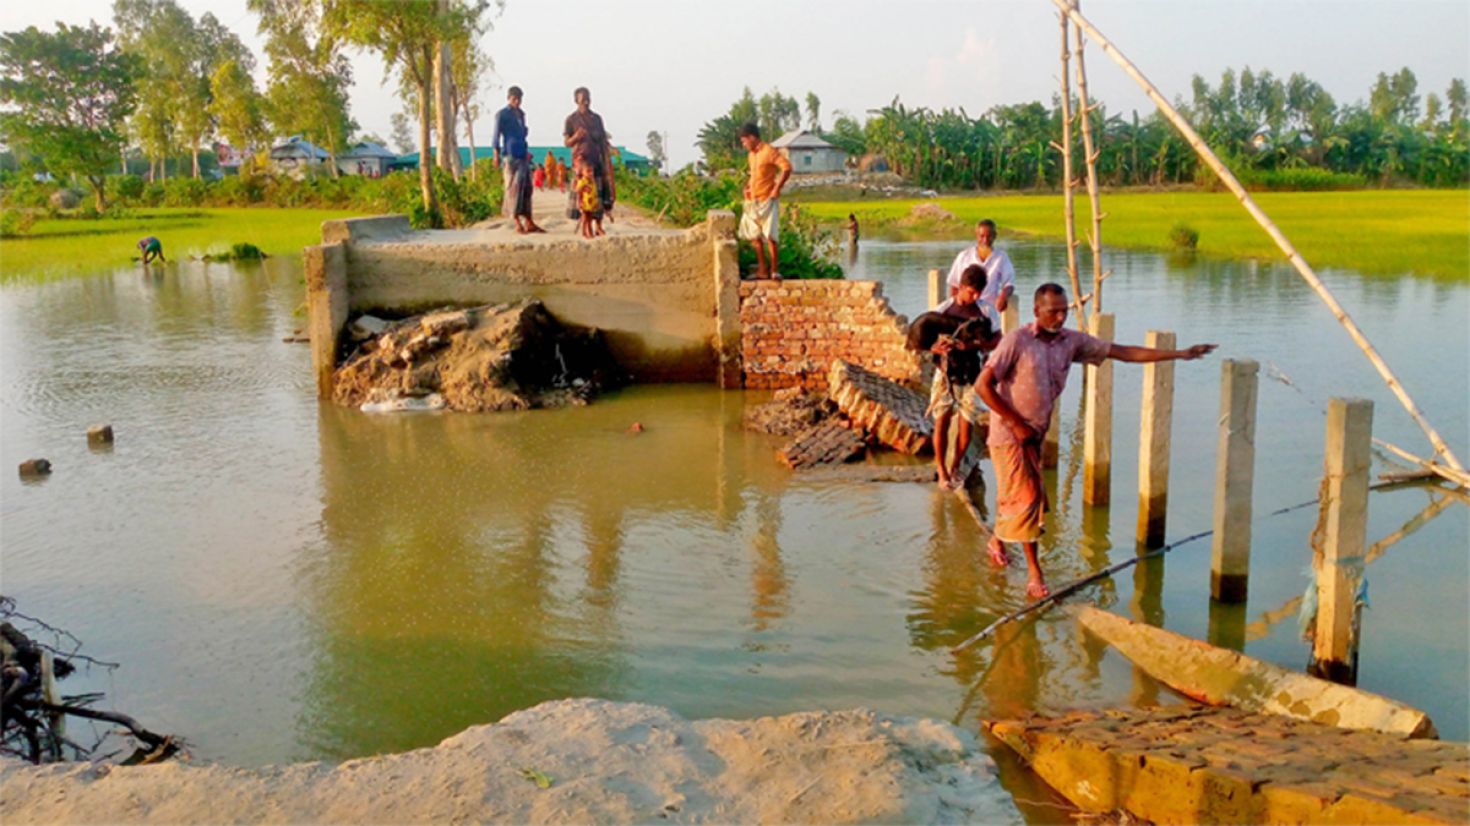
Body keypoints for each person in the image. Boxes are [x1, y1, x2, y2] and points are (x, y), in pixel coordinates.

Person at [977, 283, 1217, 598]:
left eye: (1064, 310)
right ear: (1037, 311)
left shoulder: (1070, 342)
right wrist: (1016, 423)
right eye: (1053, 311)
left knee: (1019, 495)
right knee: (1028, 498)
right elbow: (983, 386)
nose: (1061, 317)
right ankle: (1035, 575)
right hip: (1010, 434)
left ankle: (997, 542)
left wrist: (1179, 354)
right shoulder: (1017, 341)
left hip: (1034, 433)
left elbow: (1122, 352)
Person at [910, 264, 1002, 490]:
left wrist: (973, 345)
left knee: (966, 425)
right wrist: (935, 348)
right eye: (971, 292)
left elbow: (998, 340)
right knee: (941, 421)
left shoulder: (987, 312)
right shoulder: (943, 310)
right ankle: (942, 471)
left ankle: (955, 466)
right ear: (960, 287)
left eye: (979, 292)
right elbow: (924, 340)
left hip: (972, 375)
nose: (975, 297)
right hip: (945, 374)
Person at [737, 122, 792, 280]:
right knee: (754, 236)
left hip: (767, 198)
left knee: (770, 236)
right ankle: (762, 270)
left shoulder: (769, 151)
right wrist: (747, 187)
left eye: (744, 141)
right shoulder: (751, 155)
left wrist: (776, 189)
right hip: (753, 199)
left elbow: (786, 168)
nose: (744, 144)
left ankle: (774, 270)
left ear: (752, 137)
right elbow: (754, 175)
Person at [490, 85, 544, 234]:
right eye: (514, 99)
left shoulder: (521, 114)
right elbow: (496, 136)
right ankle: (516, 222)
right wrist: (496, 155)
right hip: (510, 156)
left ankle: (529, 221)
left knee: (527, 188)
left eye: (519, 99)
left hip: (522, 155)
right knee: (513, 189)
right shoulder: (502, 114)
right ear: (509, 98)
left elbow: (522, 134)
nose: (517, 102)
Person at [564, 87, 615, 223]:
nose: (586, 103)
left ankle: (597, 224)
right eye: (582, 100)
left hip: (595, 160)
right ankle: (584, 224)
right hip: (581, 162)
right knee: (583, 193)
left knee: (597, 193)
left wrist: (607, 156)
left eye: (587, 99)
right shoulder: (571, 119)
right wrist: (576, 137)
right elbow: (567, 142)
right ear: (576, 101)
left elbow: (603, 140)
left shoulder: (597, 119)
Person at [947, 219, 1014, 313]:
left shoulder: (1001, 257)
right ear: (976, 236)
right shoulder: (964, 256)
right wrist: (957, 308)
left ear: (995, 236)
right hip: (966, 307)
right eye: (982, 236)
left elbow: (1009, 283)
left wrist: (1003, 296)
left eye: (989, 236)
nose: (985, 240)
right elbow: (954, 285)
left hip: (988, 309)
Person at [574, 160, 604, 238]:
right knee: (588, 219)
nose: (591, 173)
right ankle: (589, 233)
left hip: (591, 204)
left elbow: (594, 192)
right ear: (582, 172)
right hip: (585, 203)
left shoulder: (592, 181)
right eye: (588, 171)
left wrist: (596, 202)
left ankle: (584, 232)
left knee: (587, 218)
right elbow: (577, 191)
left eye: (592, 171)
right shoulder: (582, 181)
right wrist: (580, 202)